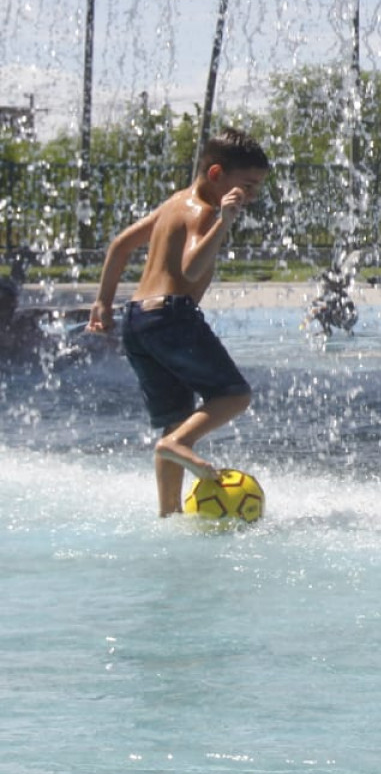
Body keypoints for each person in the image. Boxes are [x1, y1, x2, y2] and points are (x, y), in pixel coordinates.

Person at [86, 127, 270, 516]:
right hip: (172, 317)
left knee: (174, 421)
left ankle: (167, 513)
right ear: (217, 175)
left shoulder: (174, 202)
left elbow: (120, 245)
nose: (252, 196)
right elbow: (190, 269)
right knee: (234, 396)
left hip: (137, 319)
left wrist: (103, 303)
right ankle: (179, 446)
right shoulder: (204, 212)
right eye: (248, 186)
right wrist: (223, 222)